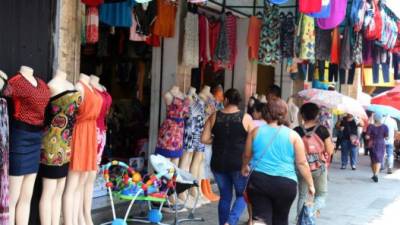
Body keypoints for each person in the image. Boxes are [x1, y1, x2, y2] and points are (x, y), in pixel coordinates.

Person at [242, 99, 315, 225]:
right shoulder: (293, 136)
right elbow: (302, 163)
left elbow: (247, 154)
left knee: (260, 218)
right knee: (281, 219)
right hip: (285, 184)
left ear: (266, 112)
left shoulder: (255, 132)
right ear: (285, 113)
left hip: (259, 181)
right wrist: (310, 184)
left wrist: (244, 166)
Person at [201, 88, 253, 225]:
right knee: (243, 195)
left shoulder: (214, 116)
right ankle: (230, 222)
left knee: (225, 197)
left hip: (218, 163)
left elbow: (204, 138)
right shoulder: (246, 118)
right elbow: (253, 141)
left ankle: (224, 223)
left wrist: (217, 139)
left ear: (226, 100)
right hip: (239, 163)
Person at [294, 103, 334, 218]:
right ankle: (310, 213)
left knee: (302, 195)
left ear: (302, 115)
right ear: (317, 115)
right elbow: (329, 151)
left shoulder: (296, 130)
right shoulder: (322, 130)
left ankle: (301, 220)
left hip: (302, 167)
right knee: (321, 194)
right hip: (319, 167)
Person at [366, 114, 388, 182]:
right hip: (381, 144)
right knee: (379, 159)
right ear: (381, 119)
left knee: (373, 160)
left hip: (372, 144)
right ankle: (376, 174)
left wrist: (369, 137)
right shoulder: (385, 127)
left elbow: (367, 137)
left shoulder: (370, 126)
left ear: (374, 119)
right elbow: (387, 137)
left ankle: (374, 174)